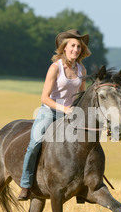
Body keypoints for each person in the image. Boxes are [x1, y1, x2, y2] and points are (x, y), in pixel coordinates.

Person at [18, 29, 91, 201]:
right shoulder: (55, 68)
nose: (76, 49)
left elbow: (82, 95)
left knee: (88, 143)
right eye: (72, 46)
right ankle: (26, 184)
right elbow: (44, 97)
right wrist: (65, 109)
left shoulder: (82, 70)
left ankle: (83, 187)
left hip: (71, 114)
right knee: (34, 143)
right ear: (64, 48)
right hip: (49, 111)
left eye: (79, 47)